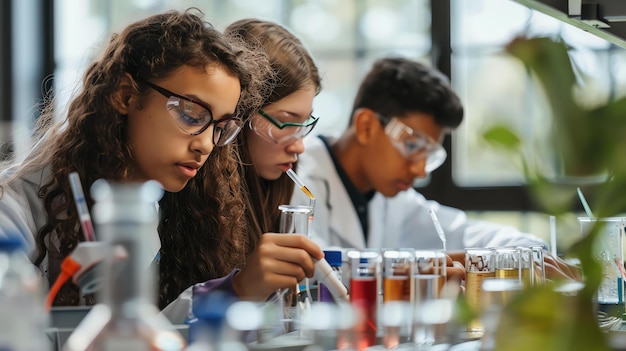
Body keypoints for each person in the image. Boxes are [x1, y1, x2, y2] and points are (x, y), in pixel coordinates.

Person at [0, 9, 322, 322]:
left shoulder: (169, 204)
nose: (206, 144)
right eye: (191, 115)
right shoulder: (15, 211)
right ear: (125, 95)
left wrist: (236, 290)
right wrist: (233, 291)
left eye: (220, 128)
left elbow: (145, 333)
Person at [291, 57, 580, 280]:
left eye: (429, 155)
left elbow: (465, 232)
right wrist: (469, 261)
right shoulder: (300, 176)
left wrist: (528, 253)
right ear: (366, 126)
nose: (420, 171)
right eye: (414, 146)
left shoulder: (393, 199)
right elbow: (321, 268)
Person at [222, 18, 323, 299]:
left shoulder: (278, 191)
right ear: (240, 117)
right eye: (285, 122)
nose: (299, 147)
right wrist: (238, 291)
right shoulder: (190, 203)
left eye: (303, 125)